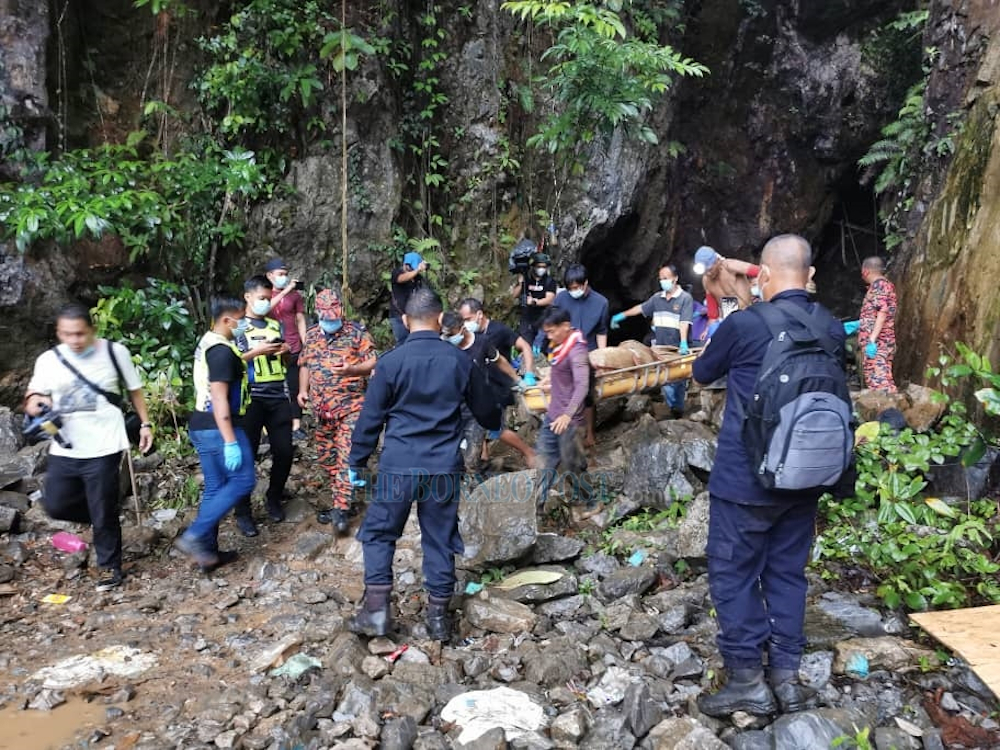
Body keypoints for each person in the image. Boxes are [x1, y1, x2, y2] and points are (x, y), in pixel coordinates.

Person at [692, 234, 845, 717]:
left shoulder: (745, 324)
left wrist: (736, 305)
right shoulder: (831, 327)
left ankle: (746, 680)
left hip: (745, 479)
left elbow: (702, 372)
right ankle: (787, 677)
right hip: (806, 476)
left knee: (733, 572)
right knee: (786, 572)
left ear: (765, 272)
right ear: (809, 273)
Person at [347, 288, 500, 641]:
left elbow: (370, 419)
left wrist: (356, 460)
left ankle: (376, 612)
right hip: (443, 467)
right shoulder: (460, 361)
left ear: (405, 320)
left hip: (398, 464)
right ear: (439, 318)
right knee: (440, 538)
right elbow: (488, 412)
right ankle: (437, 619)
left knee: (380, 533)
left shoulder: (389, 363)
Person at [24, 303, 154, 591]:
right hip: (65, 445)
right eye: (67, 334)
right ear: (58, 333)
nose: (74, 341)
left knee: (102, 510)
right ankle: (103, 514)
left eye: (80, 334)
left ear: (92, 330)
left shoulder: (113, 352)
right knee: (56, 504)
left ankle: (109, 567)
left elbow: (134, 390)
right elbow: (33, 395)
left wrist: (145, 424)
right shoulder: (48, 360)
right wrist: (36, 405)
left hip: (105, 444)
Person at [174, 297, 257, 571]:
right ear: (226, 320)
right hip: (219, 426)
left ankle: (206, 554)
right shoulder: (221, 351)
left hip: (202, 425)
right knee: (243, 481)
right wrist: (231, 440)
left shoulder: (209, 341)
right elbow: (219, 398)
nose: (244, 323)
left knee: (215, 486)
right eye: (241, 317)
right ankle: (195, 535)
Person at [298, 289, 376, 534]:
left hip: (351, 407)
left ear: (341, 310)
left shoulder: (356, 333)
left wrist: (353, 370)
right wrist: (303, 390)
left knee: (345, 456)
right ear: (318, 314)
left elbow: (373, 362)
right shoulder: (311, 335)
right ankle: (343, 499)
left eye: (334, 316)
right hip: (322, 410)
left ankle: (341, 511)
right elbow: (305, 364)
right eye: (326, 317)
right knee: (326, 459)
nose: (330, 320)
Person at [231, 275, 292, 537]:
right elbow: (230, 360)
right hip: (251, 398)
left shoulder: (274, 325)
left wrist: (285, 351)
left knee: (285, 451)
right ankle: (243, 512)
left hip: (278, 395)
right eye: (262, 298)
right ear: (248, 297)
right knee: (247, 455)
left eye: (269, 298)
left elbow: (286, 361)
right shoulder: (236, 327)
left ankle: (274, 497)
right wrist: (257, 352)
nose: (267, 303)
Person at [441, 311, 536, 470]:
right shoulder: (445, 346)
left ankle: (528, 452)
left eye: (450, 334)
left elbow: (499, 361)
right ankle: (484, 463)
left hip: (481, 400)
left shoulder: (481, 343)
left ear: (461, 329)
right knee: (472, 441)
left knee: (496, 431)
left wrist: (518, 380)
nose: (448, 338)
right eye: (445, 334)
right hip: (457, 403)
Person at [610, 264, 694, 418]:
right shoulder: (657, 298)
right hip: (661, 347)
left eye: (666, 278)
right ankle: (674, 410)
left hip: (677, 347)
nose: (663, 281)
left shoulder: (684, 299)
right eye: (661, 279)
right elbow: (640, 308)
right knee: (666, 380)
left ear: (675, 278)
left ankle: (679, 407)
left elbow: (685, 322)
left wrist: (683, 342)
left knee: (679, 381)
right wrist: (622, 315)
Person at [535, 306, 589, 506]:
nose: (549, 336)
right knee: (545, 458)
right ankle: (537, 503)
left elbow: (583, 385)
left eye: (551, 331)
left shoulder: (577, 351)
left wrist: (567, 415)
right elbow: (561, 373)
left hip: (569, 420)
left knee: (572, 465)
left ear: (565, 326)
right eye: (546, 332)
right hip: (553, 415)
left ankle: (592, 503)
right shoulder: (560, 348)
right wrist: (549, 379)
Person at [550, 264, 608, 446]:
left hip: (587, 352)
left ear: (586, 283)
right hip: (563, 351)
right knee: (563, 390)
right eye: (570, 288)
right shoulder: (560, 299)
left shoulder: (601, 303)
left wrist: (602, 356)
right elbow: (552, 324)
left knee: (587, 395)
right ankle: (563, 432)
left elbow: (602, 330)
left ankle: (589, 434)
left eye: (576, 287)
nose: (573, 291)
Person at [264, 258, 308, 440]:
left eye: (285, 274)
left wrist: (306, 343)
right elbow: (264, 309)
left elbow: (300, 319)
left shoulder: (295, 296)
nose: (283, 278)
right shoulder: (264, 295)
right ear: (269, 276)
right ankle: (268, 428)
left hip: (293, 345)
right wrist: (287, 290)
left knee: (294, 386)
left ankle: (296, 425)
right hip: (271, 347)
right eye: (280, 274)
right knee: (271, 387)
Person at [692, 246, 759, 337]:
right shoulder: (706, 281)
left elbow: (761, 272)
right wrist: (708, 331)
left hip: (748, 313)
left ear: (717, 261)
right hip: (731, 320)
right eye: (705, 271)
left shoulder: (730, 266)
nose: (708, 274)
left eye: (710, 269)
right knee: (713, 332)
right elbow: (713, 314)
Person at [858, 256, 897, 393]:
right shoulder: (883, 286)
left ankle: (888, 410)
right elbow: (874, 315)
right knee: (882, 377)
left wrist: (872, 339)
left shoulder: (879, 286)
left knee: (880, 383)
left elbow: (882, 312)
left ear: (866, 271)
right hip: (882, 342)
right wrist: (859, 324)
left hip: (879, 343)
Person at [511, 251, 557, 346]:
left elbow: (550, 299)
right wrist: (520, 283)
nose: (541, 269)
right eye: (539, 266)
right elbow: (514, 295)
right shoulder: (527, 279)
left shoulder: (549, 281)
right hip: (527, 317)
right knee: (526, 344)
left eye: (544, 267)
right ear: (534, 266)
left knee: (542, 344)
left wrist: (534, 302)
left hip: (543, 317)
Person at [389, 251, 429, 345]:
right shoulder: (397, 273)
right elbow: (401, 279)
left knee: (415, 342)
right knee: (402, 343)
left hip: (413, 315)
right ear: (406, 264)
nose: (413, 270)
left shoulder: (417, 278)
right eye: (412, 267)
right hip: (399, 316)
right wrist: (417, 270)